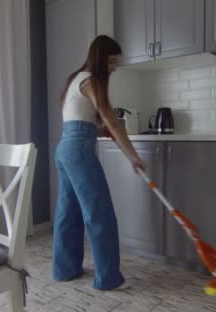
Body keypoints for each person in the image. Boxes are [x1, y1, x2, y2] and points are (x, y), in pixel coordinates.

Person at [52, 35, 146, 291]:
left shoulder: (75, 79)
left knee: (68, 213)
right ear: (101, 56)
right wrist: (133, 156)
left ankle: (65, 269)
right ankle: (108, 279)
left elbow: (94, 126)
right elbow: (112, 121)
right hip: (79, 152)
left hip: (65, 149)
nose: (115, 66)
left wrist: (109, 135)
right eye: (112, 60)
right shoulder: (92, 81)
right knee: (99, 212)